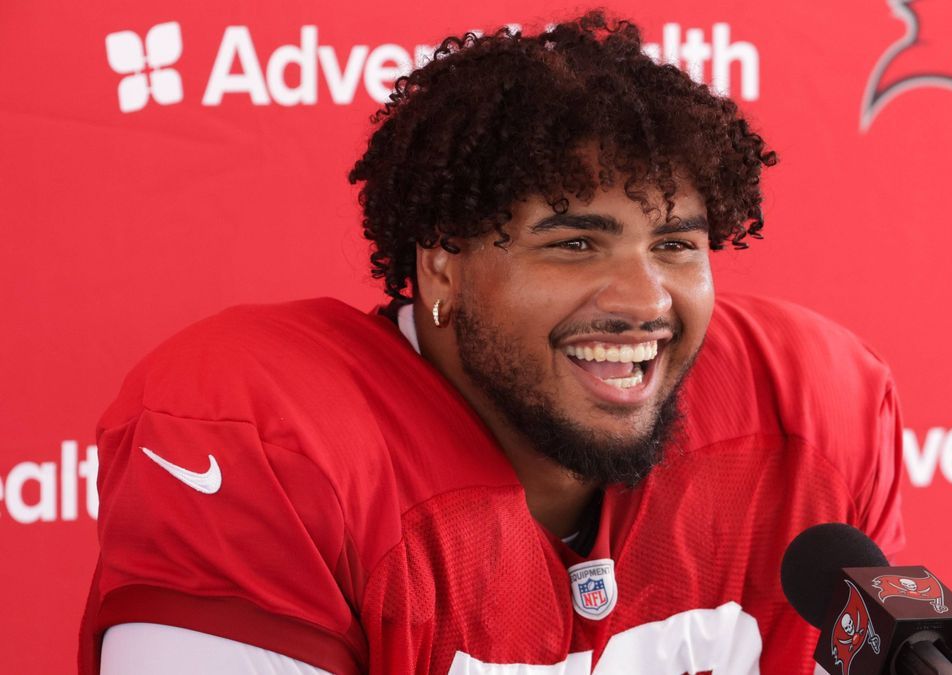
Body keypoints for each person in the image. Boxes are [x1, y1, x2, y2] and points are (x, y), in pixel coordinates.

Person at [80, 11, 904, 675]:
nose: (644, 299)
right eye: (574, 243)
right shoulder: (271, 443)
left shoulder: (813, 408)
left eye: (676, 244)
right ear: (442, 265)